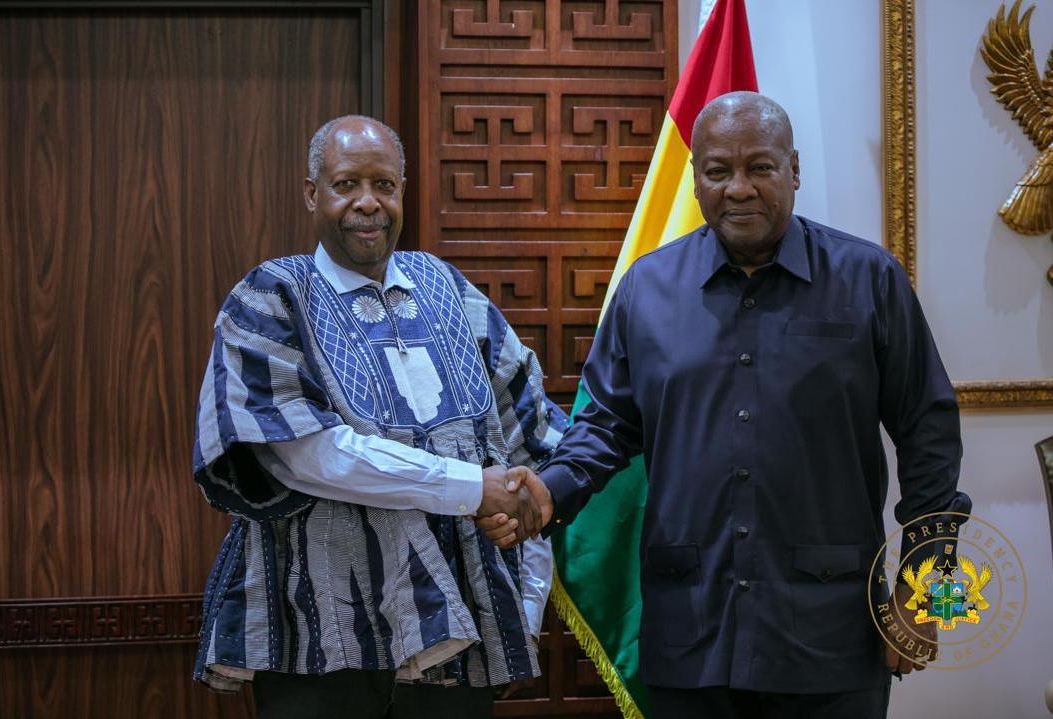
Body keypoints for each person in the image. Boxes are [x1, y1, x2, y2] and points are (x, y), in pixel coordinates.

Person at [489, 92, 971, 718]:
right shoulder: (647, 289)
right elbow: (605, 427)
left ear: (794, 171)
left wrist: (929, 588)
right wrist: (550, 492)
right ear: (695, 180)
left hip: (832, 634)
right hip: (691, 634)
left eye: (759, 167)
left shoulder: (869, 279)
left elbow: (930, 433)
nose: (738, 188)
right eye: (718, 171)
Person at [190, 114, 567, 718]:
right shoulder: (271, 297)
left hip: (460, 632)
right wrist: (474, 488)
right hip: (322, 638)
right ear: (312, 193)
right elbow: (306, 455)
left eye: (384, 185)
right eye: (347, 185)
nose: (368, 203)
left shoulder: (446, 287)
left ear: (402, 192)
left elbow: (531, 439)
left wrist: (522, 607)